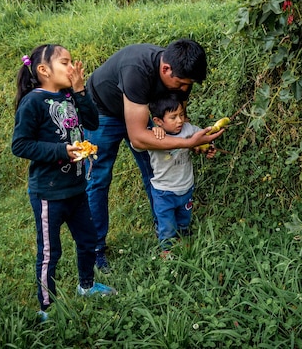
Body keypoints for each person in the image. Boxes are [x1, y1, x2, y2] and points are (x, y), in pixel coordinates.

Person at [84, 38, 224, 272]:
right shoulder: (137, 70)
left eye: (187, 85)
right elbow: (138, 137)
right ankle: (95, 249)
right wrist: (188, 143)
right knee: (98, 180)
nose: (183, 90)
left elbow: (181, 120)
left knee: (154, 173)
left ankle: (166, 233)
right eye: (180, 84)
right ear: (165, 69)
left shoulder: (180, 77)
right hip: (102, 111)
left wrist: (197, 144)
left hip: (136, 110)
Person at [11, 44, 117, 323]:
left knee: (88, 240)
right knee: (50, 252)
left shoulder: (70, 95)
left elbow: (93, 121)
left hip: (76, 187)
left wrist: (81, 90)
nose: (72, 67)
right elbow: (20, 145)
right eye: (65, 62)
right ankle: (46, 306)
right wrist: (61, 152)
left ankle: (86, 286)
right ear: (44, 70)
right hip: (49, 192)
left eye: (72, 62)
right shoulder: (33, 102)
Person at [137, 94, 217, 258]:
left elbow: (202, 138)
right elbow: (136, 144)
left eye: (181, 114)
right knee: (166, 223)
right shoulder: (154, 136)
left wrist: (209, 148)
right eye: (173, 117)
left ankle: (183, 239)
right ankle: (167, 250)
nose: (180, 120)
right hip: (163, 191)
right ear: (158, 120)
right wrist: (152, 130)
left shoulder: (188, 129)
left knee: (184, 218)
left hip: (186, 187)